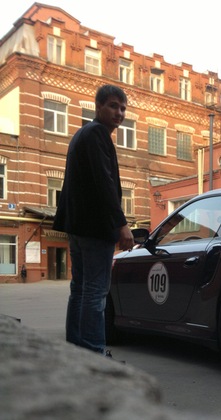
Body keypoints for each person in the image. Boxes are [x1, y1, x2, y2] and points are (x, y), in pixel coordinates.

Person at [53, 84, 134, 355]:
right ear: (98, 106)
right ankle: (93, 353)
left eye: (123, 108)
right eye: (113, 106)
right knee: (95, 292)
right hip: (95, 227)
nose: (119, 113)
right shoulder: (97, 134)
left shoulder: (83, 134)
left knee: (80, 288)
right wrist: (121, 224)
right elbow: (104, 182)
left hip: (78, 226)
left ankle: (77, 350)